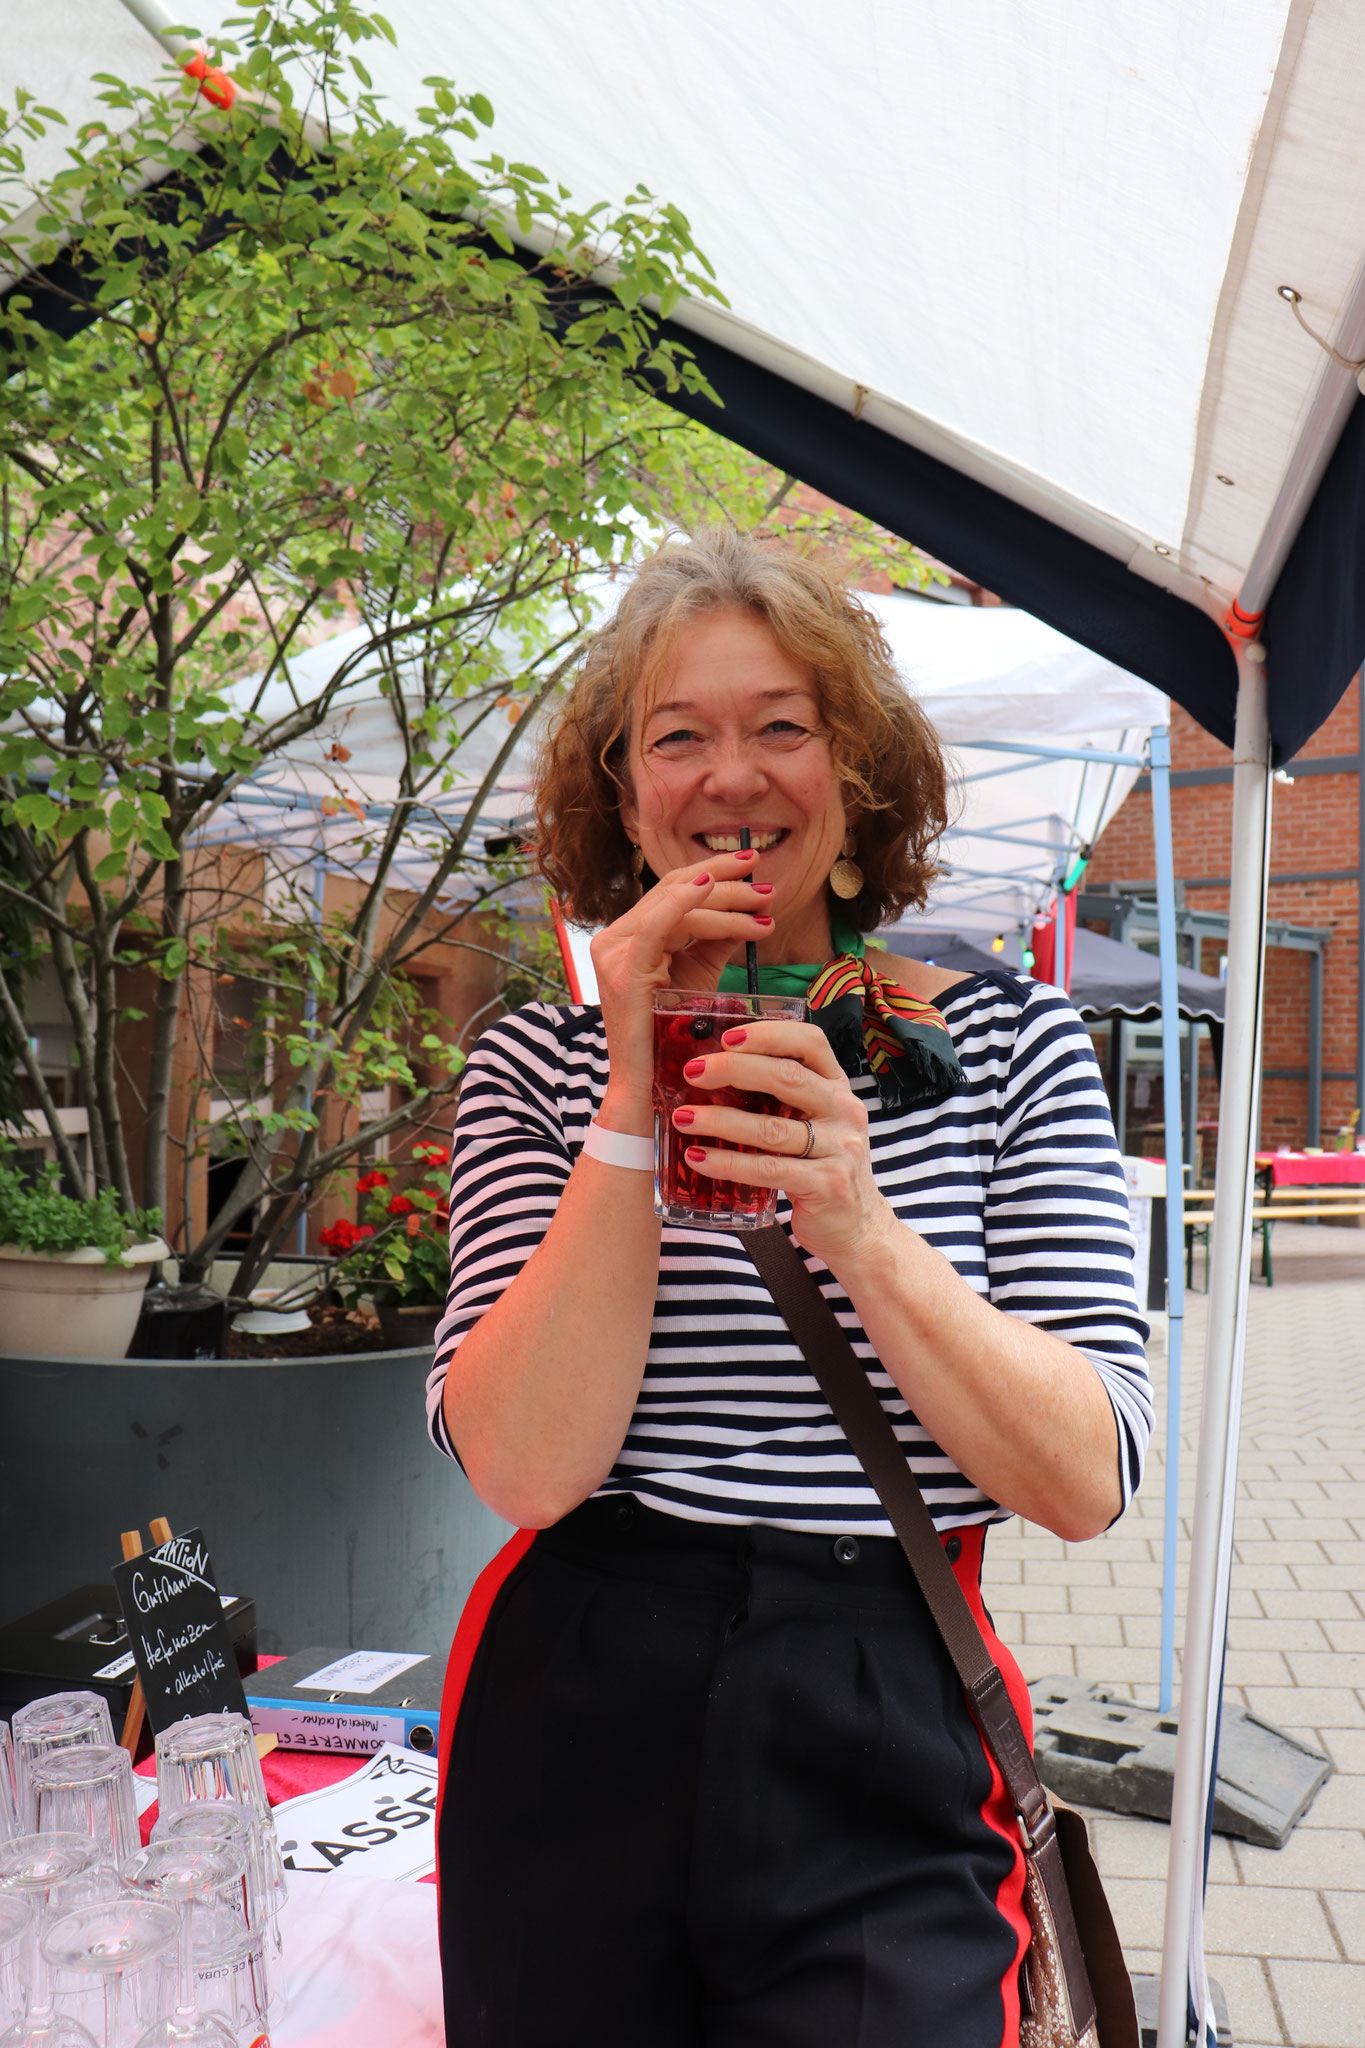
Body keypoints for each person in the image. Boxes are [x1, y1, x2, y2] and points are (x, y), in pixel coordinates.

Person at [426, 528, 1151, 2048]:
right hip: (580, 1681)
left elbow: (1086, 1477)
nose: (731, 777)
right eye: (675, 737)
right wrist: (631, 1098)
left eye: (781, 726)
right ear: (623, 792)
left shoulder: (1007, 1050)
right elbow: (528, 1468)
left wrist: (859, 1224)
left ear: (858, 769)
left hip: (880, 1677)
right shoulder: (536, 1062)